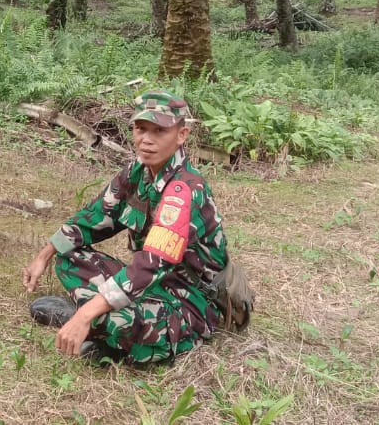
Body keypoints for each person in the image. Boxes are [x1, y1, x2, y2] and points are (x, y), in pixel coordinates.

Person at [21, 90, 229, 364]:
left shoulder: (184, 190)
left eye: (159, 131)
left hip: (189, 300)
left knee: (121, 321)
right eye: (140, 129)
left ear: (181, 135)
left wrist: (85, 314)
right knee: (67, 256)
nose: (147, 140)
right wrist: (44, 255)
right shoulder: (137, 172)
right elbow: (95, 217)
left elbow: (151, 265)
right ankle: (98, 325)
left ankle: (91, 325)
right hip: (149, 286)